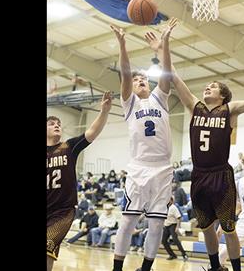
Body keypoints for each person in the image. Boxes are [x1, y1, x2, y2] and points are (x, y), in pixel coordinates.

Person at [145, 21, 244, 271]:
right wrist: (160, 49)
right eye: (207, 86)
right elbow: (172, 76)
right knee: (206, 227)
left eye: (213, 87)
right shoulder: (194, 107)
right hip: (199, 175)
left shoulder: (230, 110)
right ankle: (216, 267)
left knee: (228, 228)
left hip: (221, 175)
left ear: (223, 96)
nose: (208, 87)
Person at [109, 17, 177, 271]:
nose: (139, 81)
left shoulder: (160, 98)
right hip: (138, 168)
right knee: (127, 222)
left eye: (143, 79)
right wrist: (122, 44)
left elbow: (167, 70)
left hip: (162, 168)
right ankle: (118, 268)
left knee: (157, 223)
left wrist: (166, 42)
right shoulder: (130, 104)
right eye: (136, 80)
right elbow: (125, 73)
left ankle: (145, 269)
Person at [46, 91, 112, 271]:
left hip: (62, 211)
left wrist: (104, 111)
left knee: (47, 244)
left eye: (59, 124)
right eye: (52, 124)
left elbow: (91, 133)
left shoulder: (69, 147)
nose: (57, 125)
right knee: (49, 251)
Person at [217, 152, 244, 265]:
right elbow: (234, 207)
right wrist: (222, 225)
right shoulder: (238, 184)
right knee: (223, 254)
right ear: (243, 164)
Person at [162, 196, 189, 261]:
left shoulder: (174, 208)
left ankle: (184, 254)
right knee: (163, 241)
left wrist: (177, 227)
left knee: (175, 240)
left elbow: (178, 218)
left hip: (173, 225)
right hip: (166, 225)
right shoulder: (165, 207)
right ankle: (172, 255)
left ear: (171, 201)